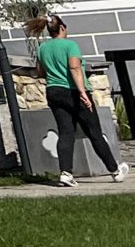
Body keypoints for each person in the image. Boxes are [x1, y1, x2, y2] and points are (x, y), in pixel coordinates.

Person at [34, 15, 125, 185]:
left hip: (53, 91)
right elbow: (74, 67)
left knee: (66, 132)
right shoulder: (71, 45)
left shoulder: (42, 48)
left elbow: (40, 72)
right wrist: (82, 93)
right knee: (94, 132)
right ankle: (114, 170)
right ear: (62, 28)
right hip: (73, 91)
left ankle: (66, 173)